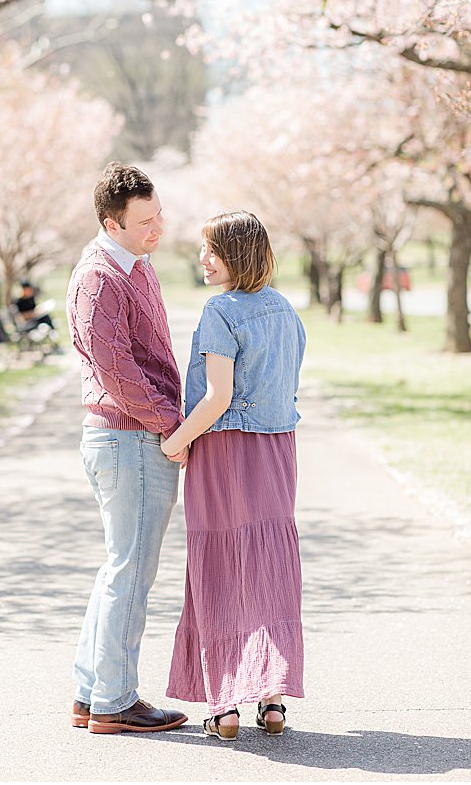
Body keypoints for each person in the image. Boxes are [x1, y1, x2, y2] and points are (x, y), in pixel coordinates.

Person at [163, 210, 307, 741]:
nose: (203, 259)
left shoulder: (220, 311)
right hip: (278, 452)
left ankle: (225, 705)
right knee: (271, 565)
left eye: (212, 250)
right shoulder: (287, 311)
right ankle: (272, 700)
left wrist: (176, 441)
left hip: (225, 454)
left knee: (221, 567)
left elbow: (217, 397)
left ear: (237, 254)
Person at [67, 162, 188, 735]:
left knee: (121, 567)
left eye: (158, 214)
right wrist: (171, 425)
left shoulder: (136, 266)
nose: (156, 228)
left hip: (135, 436)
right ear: (111, 223)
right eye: (144, 221)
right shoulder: (98, 278)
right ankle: (115, 701)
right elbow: (116, 369)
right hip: (129, 437)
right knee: (131, 572)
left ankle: (92, 694)